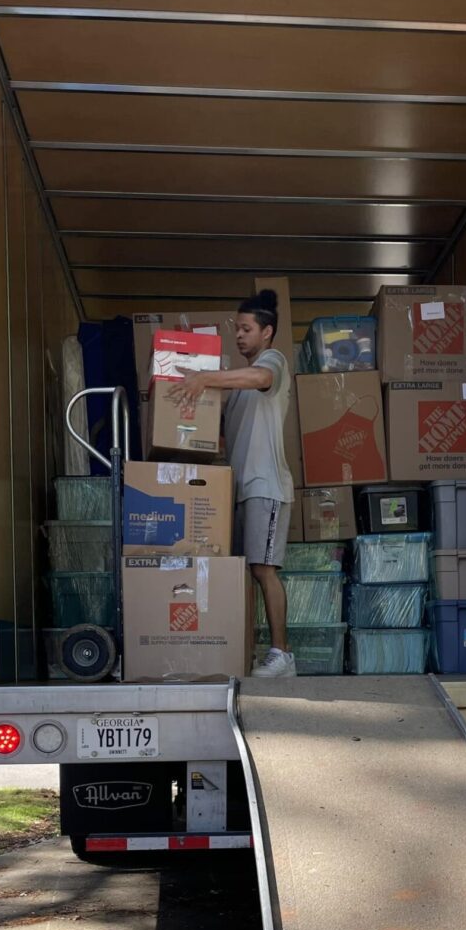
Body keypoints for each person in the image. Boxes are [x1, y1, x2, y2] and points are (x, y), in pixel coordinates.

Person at [172, 290, 295, 678]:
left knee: (264, 569)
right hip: (239, 491)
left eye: (246, 329)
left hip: (266, 485)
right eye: (237, 329)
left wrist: (204, 378)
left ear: (267, 332)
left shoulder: (271, 361)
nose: (239, 336)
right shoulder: (236, 387)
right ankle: (245, 649)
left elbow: (261, 377)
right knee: (244, 571)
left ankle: (282, 655)